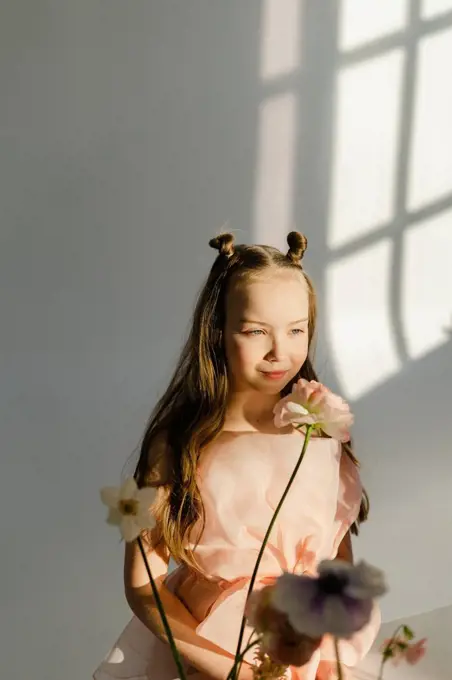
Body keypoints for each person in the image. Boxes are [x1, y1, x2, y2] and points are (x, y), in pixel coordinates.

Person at [93, 232, 381, 680]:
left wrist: (331, 653)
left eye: (296, 330)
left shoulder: (318, 425)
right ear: (218, 330)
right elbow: (142, 585)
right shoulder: (180, 442)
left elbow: (334, 552)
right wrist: (234, 671)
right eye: (254, 331)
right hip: (212, 648)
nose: (278, 351)